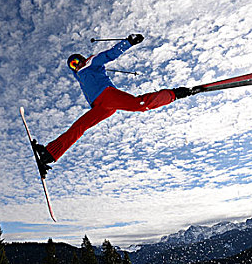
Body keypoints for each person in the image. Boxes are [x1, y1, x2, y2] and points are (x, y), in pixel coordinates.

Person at [33, 34, 195, 175]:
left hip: (108, 95)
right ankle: (49, 154)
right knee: (79, 127)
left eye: (76, 61)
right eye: (72, 65)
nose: (76, 65)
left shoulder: (91, 62)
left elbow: (109, 55)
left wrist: (128, 42)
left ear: (82, 58)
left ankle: (174, 94)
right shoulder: (79, 75)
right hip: (100, 107)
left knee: (138, 104)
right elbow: (75, 70)